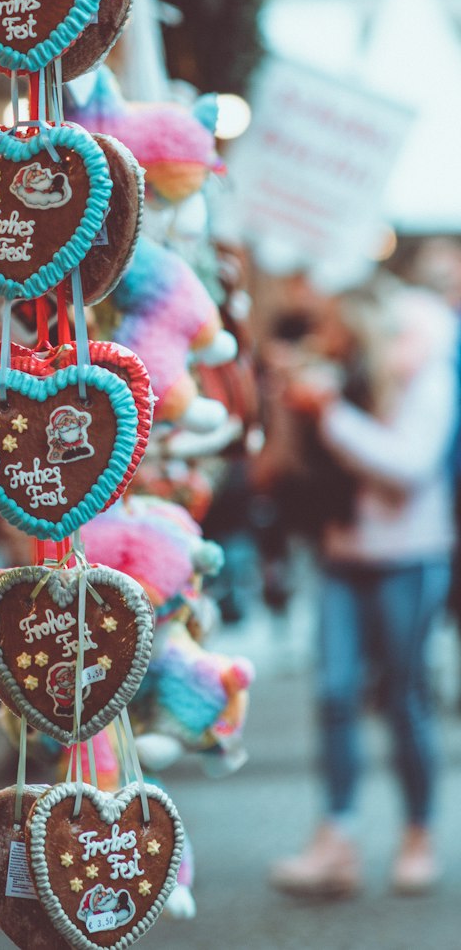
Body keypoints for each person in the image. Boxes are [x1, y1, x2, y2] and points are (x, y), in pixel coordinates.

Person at [268, 279, 458, 899]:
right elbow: (293, 468)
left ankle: (418, 834)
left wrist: (332, 417)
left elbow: (408, 467)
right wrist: (287, 403)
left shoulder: (426, 379)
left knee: (403, 699)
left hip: (410, 558)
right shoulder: (336, 382)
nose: (333, 345)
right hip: (342, 556)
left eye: (344, 335)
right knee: (333, 694)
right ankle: (337, 839)